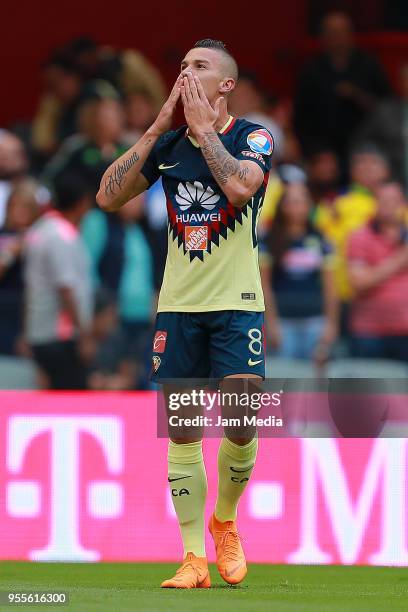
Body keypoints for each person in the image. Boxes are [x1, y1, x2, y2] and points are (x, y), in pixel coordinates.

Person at [97, 39, 273, 588]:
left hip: (238, 305)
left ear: (225, 84)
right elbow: (108, 197)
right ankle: (194, 556)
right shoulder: (168, 144)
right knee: (183, 432)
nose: (185, 74)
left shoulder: (253, 136)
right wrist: (154, 129)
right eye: (182, 66)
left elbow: (242, 187)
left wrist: (203, 132)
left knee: (243, 425)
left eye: (198, 67)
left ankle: (226, 518)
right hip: (178, 306)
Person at [294, 11, 391, 175]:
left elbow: (386, 108)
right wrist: (314, 151)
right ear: (323, 38)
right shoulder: (312, 71)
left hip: (365, 147)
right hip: (323, 150)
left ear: (351, 35)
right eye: (331, 33)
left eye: (341, 32)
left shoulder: (368, 65)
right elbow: (301, 117)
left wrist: (357, 95)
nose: (337, 38)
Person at [23, 173, 93, 389]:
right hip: (60, 335)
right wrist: (83, 335)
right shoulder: (61, 236)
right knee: (70, 400)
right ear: (82, 204)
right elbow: (66, 288)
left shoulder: (41, 229)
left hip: (41, 330)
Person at [81, 195, 155, 389]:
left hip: (140, 318)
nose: (140, 202)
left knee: (130, 377)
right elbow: (86, 270)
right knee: (104, 376)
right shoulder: (97, 222)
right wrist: (101, 308)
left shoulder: (139, 229)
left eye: (143, 198)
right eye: (134, 196)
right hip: (110, 316)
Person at [260, 183, 338, 363]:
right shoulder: (268, 240)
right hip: (282, 323)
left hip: (315, 322)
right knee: (285, 383)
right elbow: (264, 286)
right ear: (282, 206)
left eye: (302, 201)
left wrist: (331, 325)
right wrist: (271, 324)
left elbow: (330, 287)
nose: (297, 206)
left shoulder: (321, 239)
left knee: (314, 385)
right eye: (292, 201)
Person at [347, 181, 408, 362]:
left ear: (403, 204)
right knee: (369, 388)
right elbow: (359, 282)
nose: (388, 205)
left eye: (393, 200)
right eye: (383, 200)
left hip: (405, 331)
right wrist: (400, 259)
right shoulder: (360, 237)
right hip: (369, 332)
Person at [0, 179, 42, 354]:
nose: (21, 212)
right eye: (17, 206)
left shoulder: (39, 237)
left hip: (27, 309)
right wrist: (11, 253)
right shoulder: (3, 235)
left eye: (27, 208)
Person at [355, 63, 408, 191]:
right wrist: (371, 162)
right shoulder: (385, 111)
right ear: (400, 83)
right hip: (391, 184)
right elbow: (361, 142)